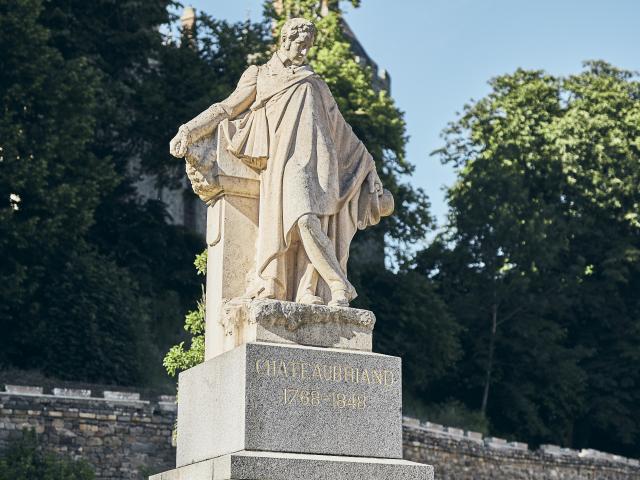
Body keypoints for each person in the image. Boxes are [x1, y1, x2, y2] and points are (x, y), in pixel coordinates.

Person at [170, 18, 392, 307]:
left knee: (312, 223)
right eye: (300, 45)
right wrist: (188, 129)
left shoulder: (314, 82)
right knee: (303, 220)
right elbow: (226, 106)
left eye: (308, 47)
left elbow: (341, 129)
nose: (303, 53)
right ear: (285, 40)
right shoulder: (260, 74)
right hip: (284, 161)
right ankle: (339, 285)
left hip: (320, 162)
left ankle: (308, 290)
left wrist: (370, 165)